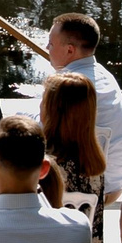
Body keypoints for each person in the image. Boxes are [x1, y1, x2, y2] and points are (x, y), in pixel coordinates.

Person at [44, 12, 122, 192]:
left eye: (50, 43)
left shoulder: (68, 86)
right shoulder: (106, 76)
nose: (47, 47)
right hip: (115, 181)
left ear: (70, 50)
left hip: (86, 185)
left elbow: (43, 127)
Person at [38, 70, 110, 209]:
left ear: (53, 112)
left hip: (51, 230)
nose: (40, 105)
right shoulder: (93, 161)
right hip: (84, 230)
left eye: (44, 100)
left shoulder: (45, 165)